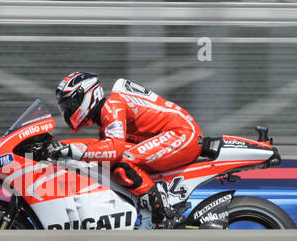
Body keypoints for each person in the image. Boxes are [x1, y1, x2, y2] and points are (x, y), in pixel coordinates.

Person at [48, 72, 201, 228]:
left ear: (86, 95)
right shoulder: (105, 119)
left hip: (181, 133)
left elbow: (115, 149)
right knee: (112, 162)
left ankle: (163, 215)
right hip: (176, 133)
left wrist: (72, 150)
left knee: (122, 161)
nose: (68, 112)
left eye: (70, 105)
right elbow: (102, 150)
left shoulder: (112, 106)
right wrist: (64, 148)